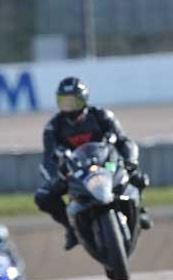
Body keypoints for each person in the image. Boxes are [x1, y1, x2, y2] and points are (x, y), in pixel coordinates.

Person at [35, 77, 152, 251]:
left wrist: (130, 161)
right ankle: (71, 227)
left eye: (73, 101)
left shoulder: (102, 116)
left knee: (136, 177)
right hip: (76, 174)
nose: (69, 106)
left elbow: (124, 141)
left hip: (108, 166)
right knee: (44, 196)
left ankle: (139, 210)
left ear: (83, 99)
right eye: (64, 101)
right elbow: (48, 159)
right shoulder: (53, 127)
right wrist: (55, 178)